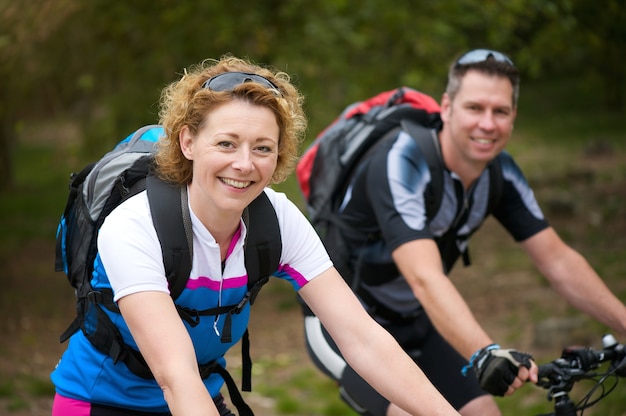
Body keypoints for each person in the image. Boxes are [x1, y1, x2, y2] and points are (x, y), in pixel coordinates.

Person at [50, 55, 461, 416]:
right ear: (188, 142)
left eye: (262, 148)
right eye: (227, 143)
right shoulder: (135, 226)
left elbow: (364, 340)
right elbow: (175, 375)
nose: (244, 164)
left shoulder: (276, 220)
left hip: (202, 394)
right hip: (104, 402)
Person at [303, 49, 626, 416]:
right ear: (447, 107)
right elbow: (425, 276)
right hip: (346, 323)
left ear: (513, 117)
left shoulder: (500, 173)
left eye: (500, 111)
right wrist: (485, 352)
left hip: (417, 322)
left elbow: (558, 260)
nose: (487, 124)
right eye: (475, 108)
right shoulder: (401, 160)